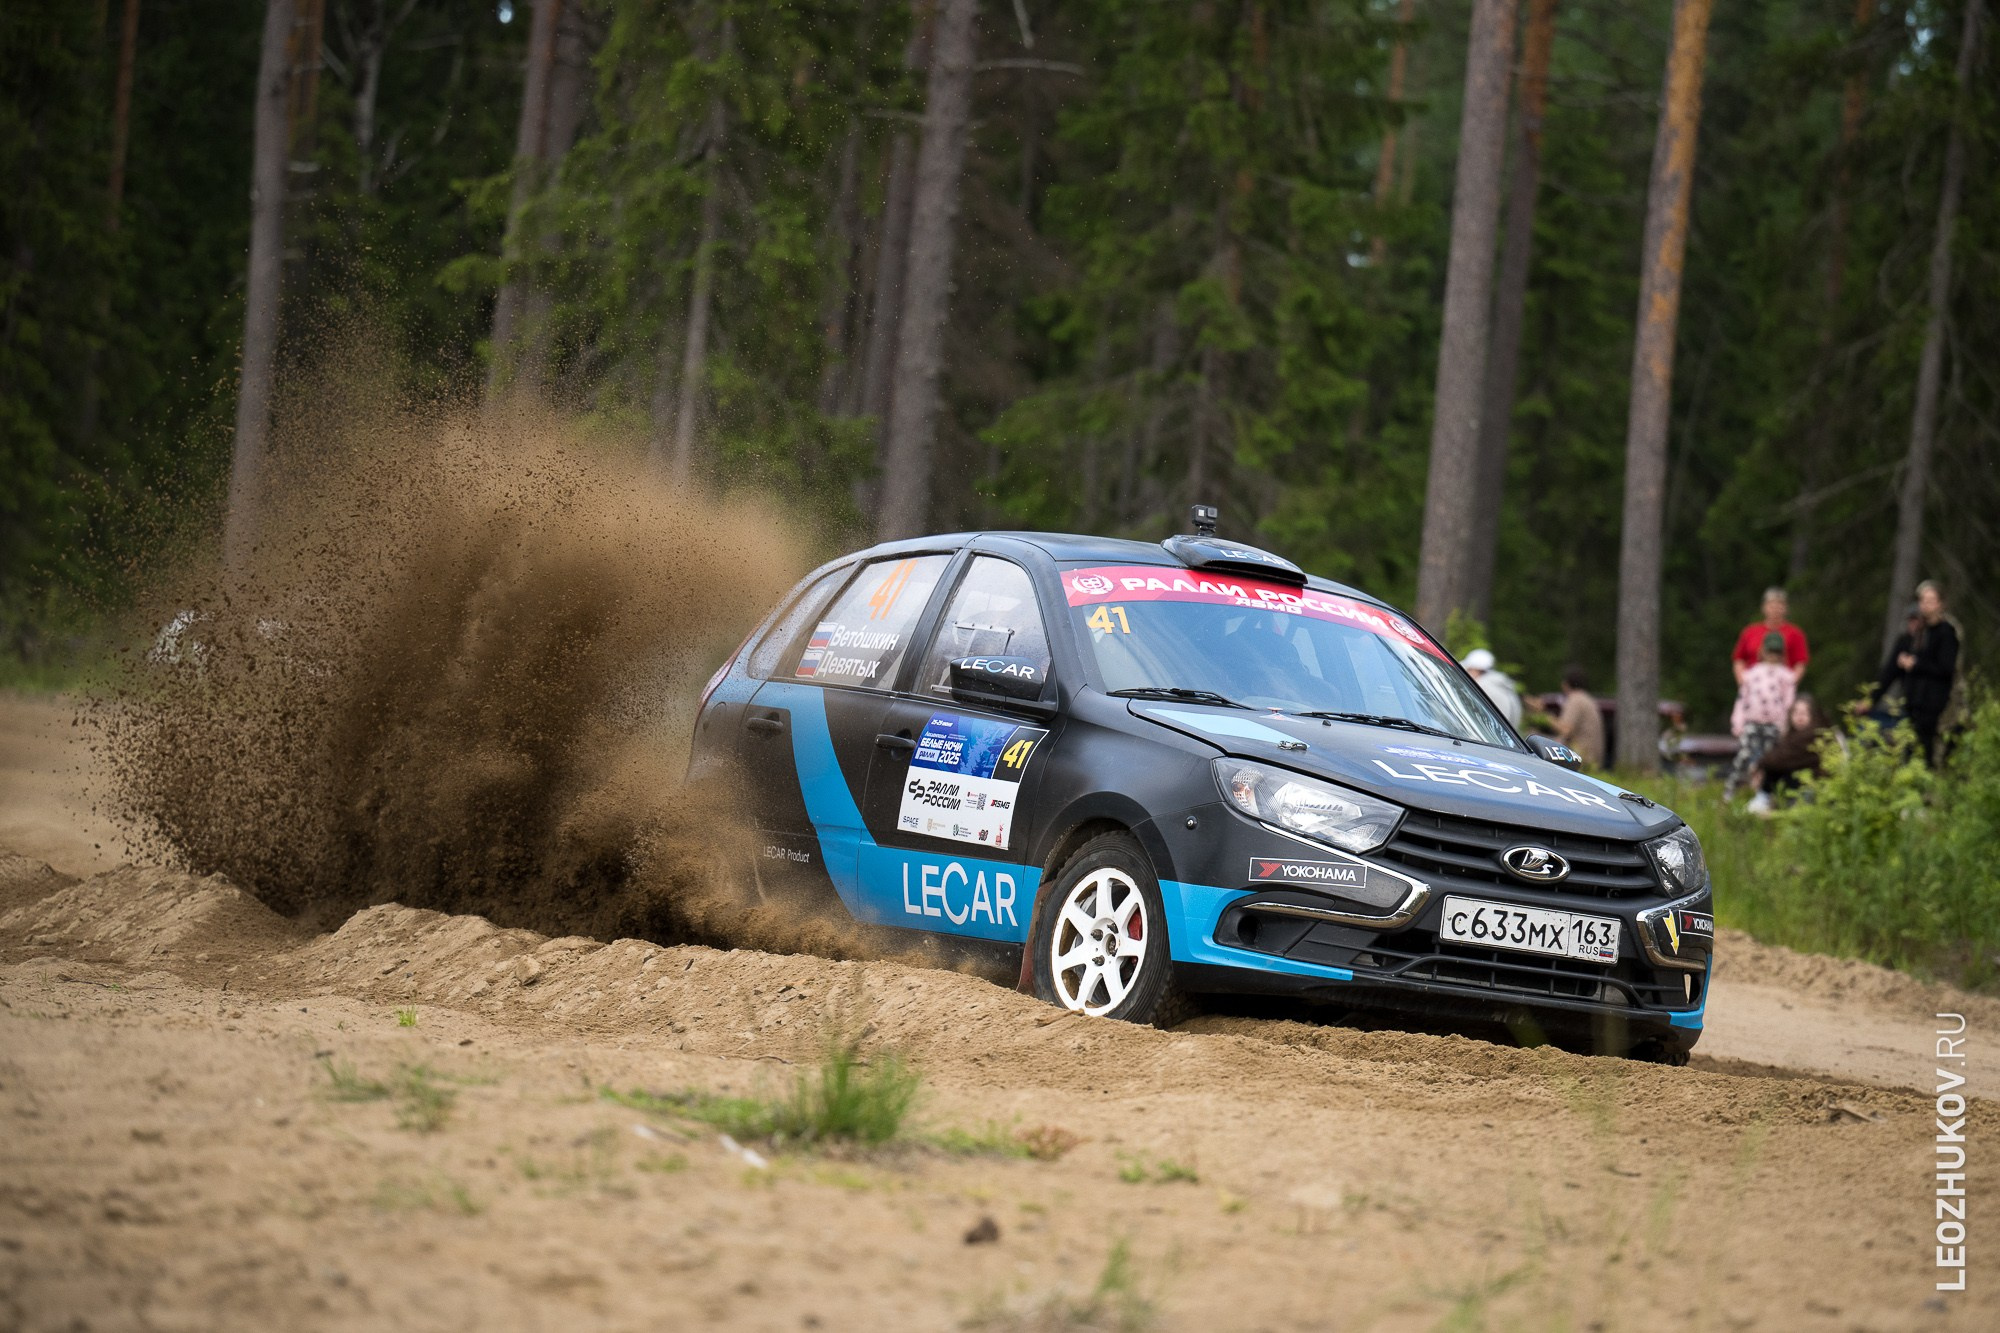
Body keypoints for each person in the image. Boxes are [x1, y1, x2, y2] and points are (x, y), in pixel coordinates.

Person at [1870, 579, 1961, 765]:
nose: (1925, 605)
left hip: (1935, 707)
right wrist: (1872, 698)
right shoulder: (1916, 634)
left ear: (1940, 604)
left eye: (1930, 601)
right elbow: (1890, 672)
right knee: (1909, 751)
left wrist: (1916, 664)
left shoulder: (1947, 633)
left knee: (1928, 753)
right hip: (1913, 704)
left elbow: (1946, 668)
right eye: (1922, 600)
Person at [1725, 632, 1796, 801]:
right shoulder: (1752, 674)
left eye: (1776, 652)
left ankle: (1765, 795)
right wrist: (1738, 722)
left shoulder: (1786, 676)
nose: (1773, 656)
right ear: (1763, 651)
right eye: (1770, 651)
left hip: (1774, 725)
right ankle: (1729, 793)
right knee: (1744, 756)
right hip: (1752, 722)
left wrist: (1786, 724)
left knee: (1770, 760)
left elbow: (1789, 703)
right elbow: (1743, 698)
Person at [1748, 694, 1833, 813]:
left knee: (1775, 767)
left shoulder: (1816, 736)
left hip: (1813, 789)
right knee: (1772, 765)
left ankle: (1764, 798)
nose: (1799, 717)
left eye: (1804, 713)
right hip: (1798, 787)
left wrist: (1758, 766)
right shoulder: (1791, 737)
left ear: (1813, 715)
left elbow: (1780, 759)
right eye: (1796, 712)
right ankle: (1764, 798)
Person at [1732, 586, 1810, 685]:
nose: (1775, 609)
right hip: (1754, 684)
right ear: (1764, 607)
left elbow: (1800, 663)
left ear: (1786, 608)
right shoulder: (1750, 631)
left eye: (1779, 605)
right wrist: (1743, 681)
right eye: (1771, 605)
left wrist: (1791, 682)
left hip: (1781, 684)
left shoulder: (1795, 633)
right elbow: (1739, 659)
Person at [1552, 666, 1604, 769]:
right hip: (1594, 759)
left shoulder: (1575, 700)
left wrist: (1543, 716)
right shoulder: (1587, 699)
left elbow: (1565, 729)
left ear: (1566, 684)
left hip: (1581, 757)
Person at [1461, 648, 1523, 729]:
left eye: (1469, 669)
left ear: (1477, 670)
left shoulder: (1483, 686)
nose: (1467, 673)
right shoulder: (1501, 685)